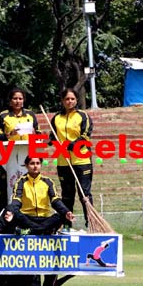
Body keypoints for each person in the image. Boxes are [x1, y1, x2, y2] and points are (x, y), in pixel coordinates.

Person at [0, 156, 75, 286]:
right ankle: (36, 230)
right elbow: (16, 200)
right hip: (27, 219)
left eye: (37, 163)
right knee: (13, 213)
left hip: (44, 220)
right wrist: (11, 212)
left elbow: (55, 200)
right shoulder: (21, 182)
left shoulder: (48, 182)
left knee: (59, 216)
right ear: (27, 165)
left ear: (41, 165)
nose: (35, 166)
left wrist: (66, 212)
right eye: (32, 164)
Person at [49, 87, 94, 229]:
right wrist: (52, 141)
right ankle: (67, 225)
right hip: (63, 161)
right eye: (67, 99)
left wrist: (71, 145)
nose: (70, 101)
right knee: (67, 195)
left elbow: (86, 135)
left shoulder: (83, 116)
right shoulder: (56, 118)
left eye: (72, 99)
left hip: (82, 160)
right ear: (62, 101)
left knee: (84, 194)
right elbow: (53, 136)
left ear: (76, 100)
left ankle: (91, 224)